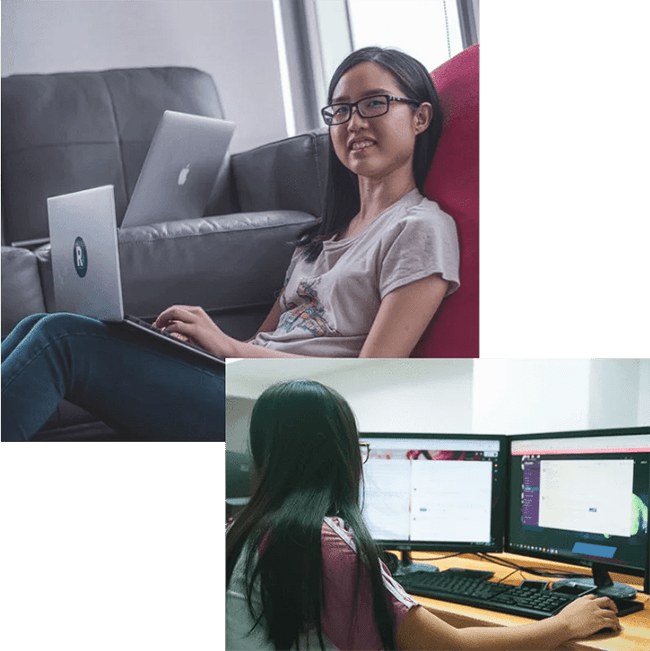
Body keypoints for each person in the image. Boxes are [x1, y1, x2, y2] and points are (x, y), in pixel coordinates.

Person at [1, 47, 459, 440]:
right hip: (242, 386)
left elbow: (368, 386)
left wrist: (227, 347)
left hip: (291, 419)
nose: (353, 121)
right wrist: (199, 348)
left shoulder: (418, 228)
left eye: (373, 104)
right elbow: (268, 341)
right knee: (40, 325)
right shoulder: (321, 238)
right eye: (340, 110)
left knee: (59, 339)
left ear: (420, 117)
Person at [226, 380, 621, 651]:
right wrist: (566, 624)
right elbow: (451, 646)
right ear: (341, 457)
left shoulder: (240, 531)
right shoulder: (326, 545)